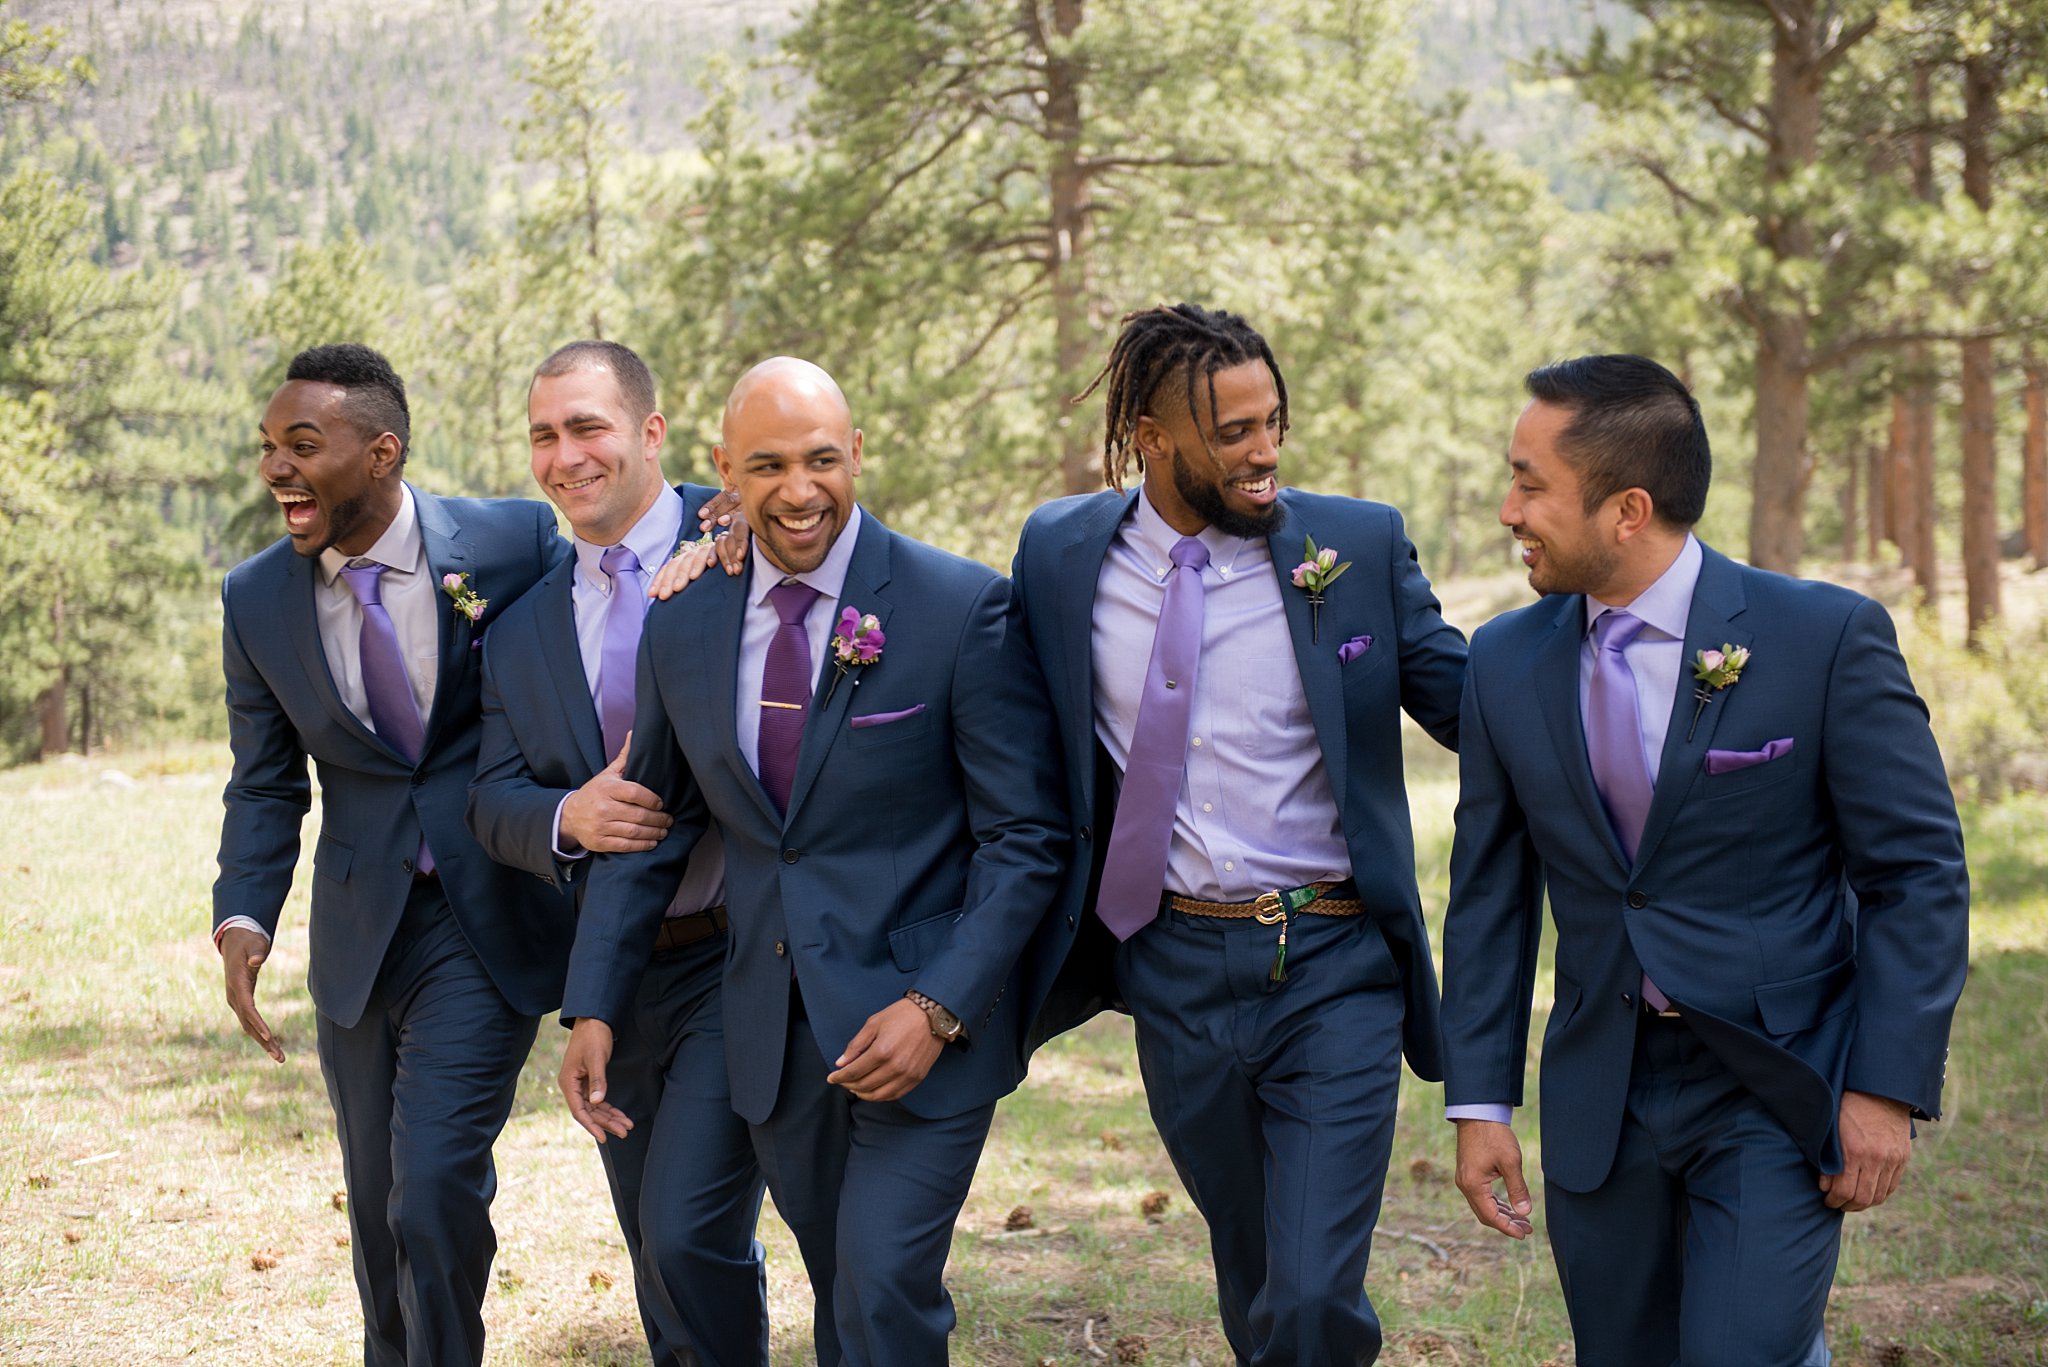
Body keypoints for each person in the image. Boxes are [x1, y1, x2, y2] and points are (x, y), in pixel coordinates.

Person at [1441, 354, 1968, 1366]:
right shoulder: (1502, 660)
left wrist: (1884, 1087)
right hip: (1602, 1088)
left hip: (1776, 1079)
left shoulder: (1821, 636)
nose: (1509, 511)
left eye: (1530, 484)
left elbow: (1915, 872)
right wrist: (1479, 1102)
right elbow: (1489, 896)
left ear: (1627, 510)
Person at [556, 356, 1067, 1366]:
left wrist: (937, 1005)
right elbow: (652, 824)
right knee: (817, 1277)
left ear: (858, 453)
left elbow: (1025, 840)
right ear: (723, 472)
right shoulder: (683, 620)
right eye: (768, 465)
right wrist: (595, 1003)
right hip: (773, 1030)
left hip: (926, 1030)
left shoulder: (958, 606)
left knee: (880, 1286)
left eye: (822, 459)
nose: (799, 490)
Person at [1008, 303, 1467, 1365]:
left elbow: (1475, 704)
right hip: (1171, 966)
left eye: (1273, 422)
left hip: (1334, 959)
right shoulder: (1061, 553)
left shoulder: (1353, 545)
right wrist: (725, 535)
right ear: (1153, 439)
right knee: (1255, 1273)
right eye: (1232, 433)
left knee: (1309, 1296)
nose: (1265, 452)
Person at [211, 342, 569, 1366]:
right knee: (376, 1210)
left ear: (382, 453)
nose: (275, 468)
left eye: (302, 444)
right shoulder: (255, 598)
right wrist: (244, 913)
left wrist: (719, 517)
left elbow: (613, 567)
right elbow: (265, 780)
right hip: (360, 933)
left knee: (433, 1189)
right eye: (268, 446)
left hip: (485, 911)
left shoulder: (510, 542)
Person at [466, 340, 767, 1366]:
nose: (566, 457)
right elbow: (490, 798)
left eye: (588, 427)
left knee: (689, 1232)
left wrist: (747, 516)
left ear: (650, 431)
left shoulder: (740, 540)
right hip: (615, 972)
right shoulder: (520, 631)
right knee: (655, 1246)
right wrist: (569, 814)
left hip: (741, 951)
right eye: (544, 435)